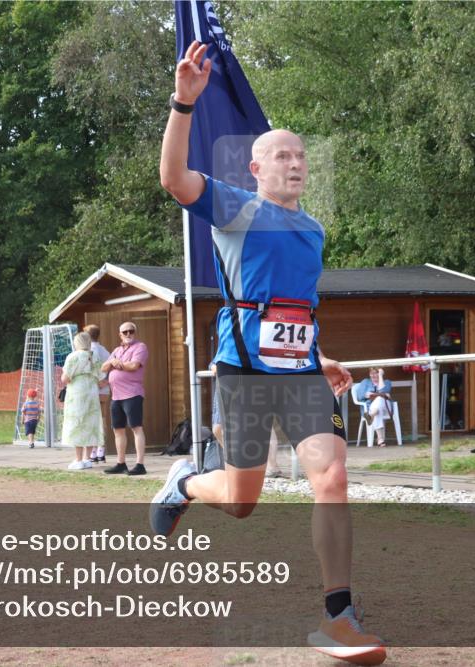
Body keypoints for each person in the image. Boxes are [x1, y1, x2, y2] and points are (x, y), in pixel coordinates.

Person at [153, 41, 385, 665]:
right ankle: (185, 482)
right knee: (241, 501)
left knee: (333, 479)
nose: (295, 163)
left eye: (301, 155)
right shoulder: (236, 206)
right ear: (255, 168)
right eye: (281, 154)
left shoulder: (313, 230)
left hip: (303, 371)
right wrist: (183, 102)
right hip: (245, 370)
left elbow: (291, 309)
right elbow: (173, 178)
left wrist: (322, 355)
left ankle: (339, 616)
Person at [101, 321, 149, 476]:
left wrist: (117, 364)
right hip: (116, 395)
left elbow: (134, 365)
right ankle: (121, 463)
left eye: (131, 331)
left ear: (135, 332)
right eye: (125, 332)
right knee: (118, 430)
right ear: (120, 335)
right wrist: (112, 362)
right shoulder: (116, 350)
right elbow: (103, 367)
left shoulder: (140, 347)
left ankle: (140, 464)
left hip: (132, 394)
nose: (129, 334)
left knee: (136, 428)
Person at [62, 332, 104, 470]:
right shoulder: (95, 356)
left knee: (77, 423)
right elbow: (101, 376)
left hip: (77, 392)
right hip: (91, 392)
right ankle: (87, 459)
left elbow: (66, 378)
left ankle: (78, 460)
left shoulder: (73, 356)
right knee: (90, 423)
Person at [85, 324, 110, 463]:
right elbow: (110, 366)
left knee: (93, 419)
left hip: (93, 388)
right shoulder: (105, 350)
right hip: (104, 389)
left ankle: (94, 450)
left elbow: (90, 369)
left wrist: (99, 381)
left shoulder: (89, 351)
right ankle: (101, 449)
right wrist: (106, 381)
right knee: (103, 418)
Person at [354, 368, 393, 447]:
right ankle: (380, 439)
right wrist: (366, 395)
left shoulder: (387, 382)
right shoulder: (365, 382)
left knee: (379, 399)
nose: (373, 375)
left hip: (386, 407)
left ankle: (370, 416)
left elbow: (383, 391)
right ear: (369, 374)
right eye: (372, 373)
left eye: (376, 373)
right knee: (377, 411)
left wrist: (381, 377)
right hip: (372, 407)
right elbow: (359, 396)